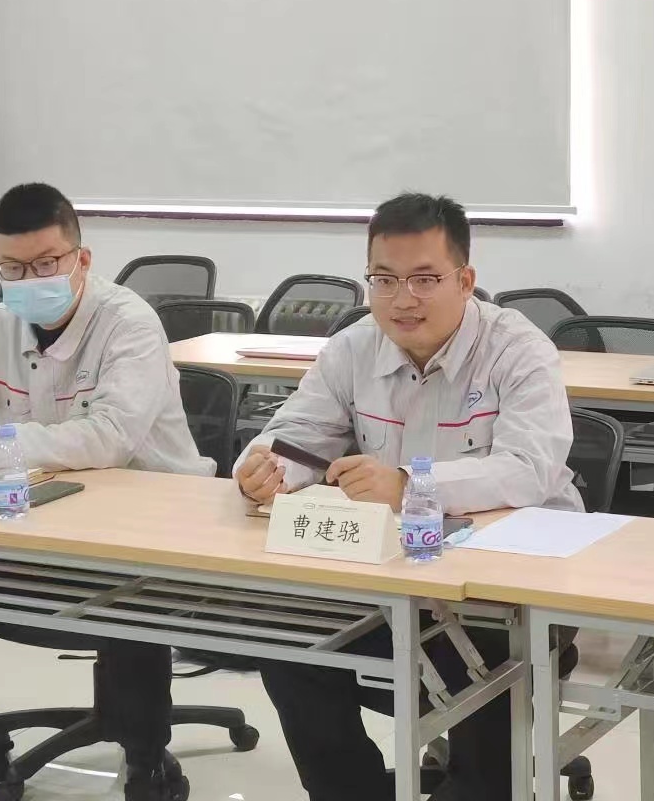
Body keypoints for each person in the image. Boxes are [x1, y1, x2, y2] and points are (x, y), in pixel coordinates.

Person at [235, 192, 581, 801]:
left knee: (486, 672)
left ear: (465, 280)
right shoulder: (352, 347)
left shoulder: (518, 350)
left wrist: (410, 485)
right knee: (288, 643)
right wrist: (264, 469)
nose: (402, 299)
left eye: (425, 279)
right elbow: (294, 435)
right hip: (392, 575)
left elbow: (530, 470)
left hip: (508, 588)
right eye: (384, 279)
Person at [0, 183, 209, 801]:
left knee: (132, 591)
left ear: (81, 259)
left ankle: (148, 759)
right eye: (12, 268)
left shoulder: (129, 324)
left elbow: (109, 437)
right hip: (34, 520)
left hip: (148, 528)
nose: (29, 280)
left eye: (46, 263)